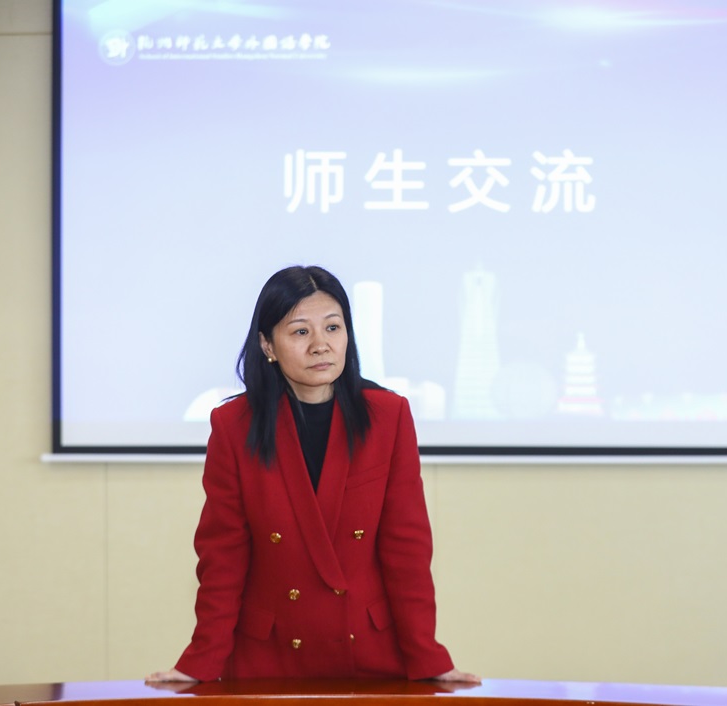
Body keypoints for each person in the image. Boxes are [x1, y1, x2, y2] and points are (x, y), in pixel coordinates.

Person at [146, 265, 478, 684]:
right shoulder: (234, 425)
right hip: (269, 656)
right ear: (267, 344)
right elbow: (223, 557)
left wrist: (428, 658)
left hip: (369, 652)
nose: (321, 345)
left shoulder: (388, 415)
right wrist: (200, 661)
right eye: (301, 331)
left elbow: (406, 551)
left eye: (333, 328)